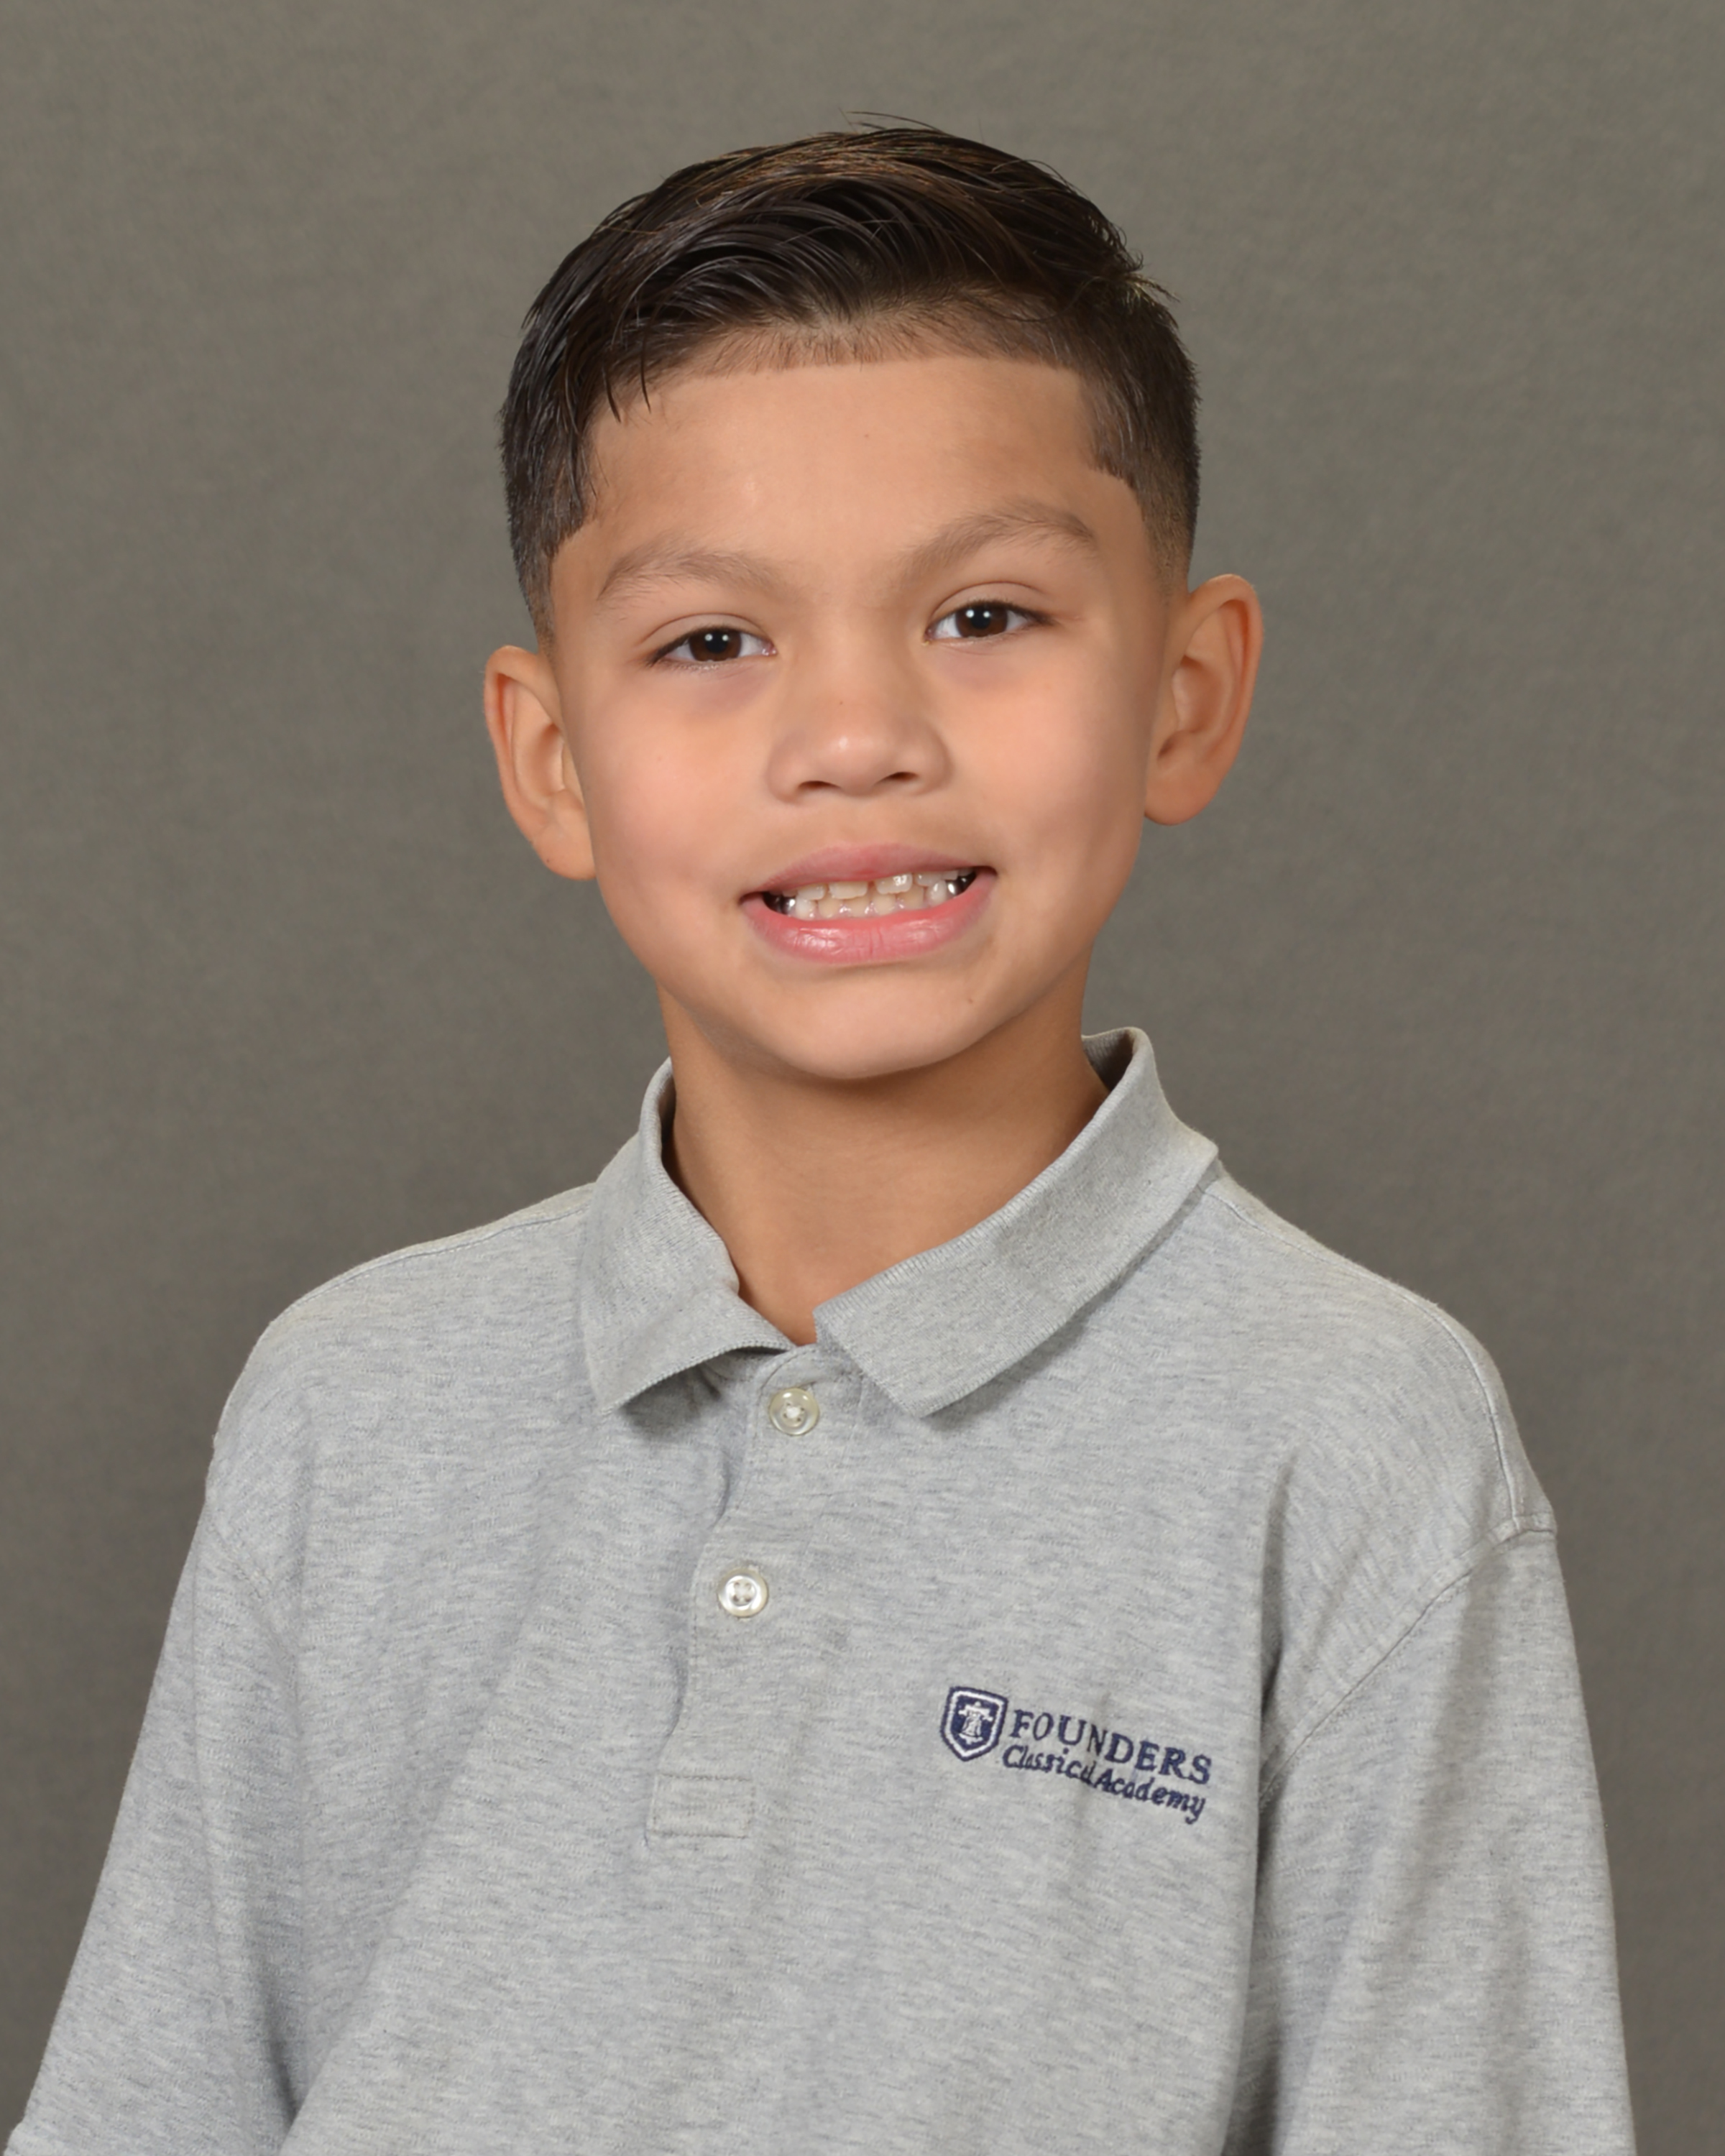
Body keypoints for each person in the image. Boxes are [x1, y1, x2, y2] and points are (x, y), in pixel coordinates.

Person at [9, 127, 1635, 2155]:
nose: (857, 737)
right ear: (553, 758)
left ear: (1186, 693)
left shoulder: (1355, 1442)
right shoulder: (347, 1408)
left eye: (985, 614)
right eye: (712, 642)